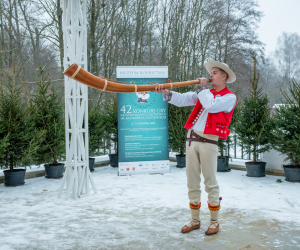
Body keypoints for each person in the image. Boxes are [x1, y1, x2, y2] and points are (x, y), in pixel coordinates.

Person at [153, 61, 237, 235]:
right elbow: (184, 99)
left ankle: (214, 222)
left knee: (210, 182)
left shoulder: (229, 97)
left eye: (214, 73)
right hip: (191, 140)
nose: (211, 75)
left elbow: (211, 105)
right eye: (211, 73)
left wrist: (203, 89)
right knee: (192, 182)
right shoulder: (205, 92)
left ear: (224, 76)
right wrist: (167, 92)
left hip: (209, 142)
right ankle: (195, 220)